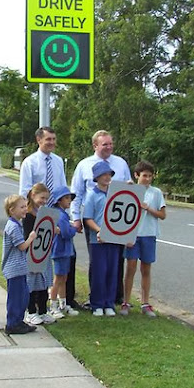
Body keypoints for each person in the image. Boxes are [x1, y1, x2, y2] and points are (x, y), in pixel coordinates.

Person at [19, 126, 79, 310]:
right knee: (37, 259)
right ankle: (34, 304)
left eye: (53, 139)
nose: (52, 142)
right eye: (48, 139)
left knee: (66, 258)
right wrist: (30, 213)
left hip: (55, 212)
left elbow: (61, 186)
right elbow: (25, 190)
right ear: (39, 140)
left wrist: (65, 214)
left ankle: (64, 300)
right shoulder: (30, 162)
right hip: (36, 213)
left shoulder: (58, 161)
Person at [71, 130, 132, 304]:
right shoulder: (84, 165)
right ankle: (95, 298)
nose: (109, 147)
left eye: (111, 143)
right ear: (95, 145)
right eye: (105, 144)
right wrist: (76, 218)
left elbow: (129, 192)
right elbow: (77, 193)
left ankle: (114, 297)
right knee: (97, 259)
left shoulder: (120, 163)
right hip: (94, 218)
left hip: (117, 219)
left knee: (117, 259)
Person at [120, 160, 166, 318]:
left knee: (146, 269)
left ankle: (145, 302)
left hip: (149, 234)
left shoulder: (156, 193)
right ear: (136, 175)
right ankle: (126, 301)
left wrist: (149, 208)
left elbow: (162, 215)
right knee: (130, 267)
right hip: (133, 234)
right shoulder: (131, 190)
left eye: (150, 176)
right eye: (144, 176)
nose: (147, 179)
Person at [83, 161, 121, 317]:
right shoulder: (92, 195)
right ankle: (97, 303)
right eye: (103, 175)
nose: (106, 177)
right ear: (97, 177)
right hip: (97, 240)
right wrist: (100, 231)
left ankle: (109, 303)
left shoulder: (115, 193)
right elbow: (88, 218)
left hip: (114, 239)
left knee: (112, 271)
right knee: (99, 271)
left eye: (108, 174)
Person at [2, 194, 37, 335]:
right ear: (12, 210)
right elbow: (22, 246)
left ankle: (18, 321)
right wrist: (31, 238)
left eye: (26, 206)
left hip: (20, 268)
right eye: (22, 207)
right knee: (16, 298)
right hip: (14, 269)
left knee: (23, 296)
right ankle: (12, 324)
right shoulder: (12, 227)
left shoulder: (17, 224)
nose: (25, 209)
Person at [23, 183, 56, 325]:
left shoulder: (44, 213)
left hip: (43, 253)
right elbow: (27, 235)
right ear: (33, 195)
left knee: (44, 282)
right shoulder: (27, 215)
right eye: (42, 197)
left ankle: (43, 311)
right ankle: (31, 312)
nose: (44, 201)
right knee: (31, 284)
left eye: (46, 199)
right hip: (31, 254)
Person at [50, 186, 79, 318]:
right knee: (58, 278)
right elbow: (67, 233)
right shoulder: (61, 216)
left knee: (64, 277)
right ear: (59, 200)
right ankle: (53, 305)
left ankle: (63, 303)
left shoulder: (63, 215)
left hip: (65, 250)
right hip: (60, 250)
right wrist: (74, 228)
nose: (69, 201)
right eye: (66, 198)